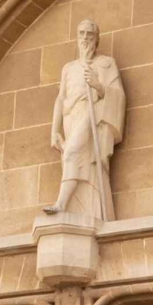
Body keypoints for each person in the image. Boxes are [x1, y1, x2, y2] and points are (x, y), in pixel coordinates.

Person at [45, 18, 125, 219]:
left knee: (72, 152)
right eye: (81, 33)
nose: (85, 38)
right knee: (74, 159)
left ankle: (61, 204)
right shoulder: (69, 68)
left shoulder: (105, 63)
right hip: (71, 116)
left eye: (90, 34)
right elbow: (61, 98)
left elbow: (118, 96)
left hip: (93, 114)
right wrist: (54, 130)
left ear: (96, 39)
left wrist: (97, 84)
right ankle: (78, 208)